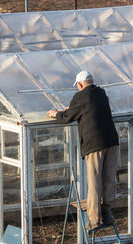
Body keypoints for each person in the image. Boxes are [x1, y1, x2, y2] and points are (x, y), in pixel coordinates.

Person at [47, 71, 119, 230]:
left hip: (95, 145)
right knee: (109, 179)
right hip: (112, 142)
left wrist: (56, 114)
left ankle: (94, 220)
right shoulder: (101, 93)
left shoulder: (80, 97)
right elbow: (87, 109)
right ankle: (107, 213)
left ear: (79, 85)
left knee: (94, 182)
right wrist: (72, 109)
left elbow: (66, 118)